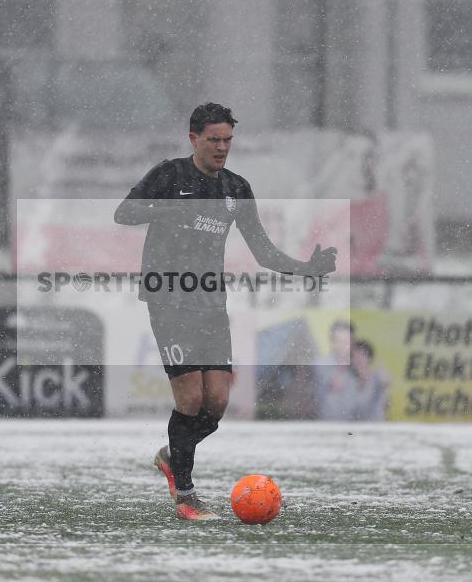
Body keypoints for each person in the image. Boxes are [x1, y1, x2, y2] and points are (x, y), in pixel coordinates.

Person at [114, 102, 337, 520]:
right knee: (190, 397)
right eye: (213, 139)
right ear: (193, 138)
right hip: (168, 300)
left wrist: (307, 268)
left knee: (216, 403)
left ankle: (171, 456)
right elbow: (123, 213)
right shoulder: (169, 175)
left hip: (210, 304)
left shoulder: (236, 189)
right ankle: (185, 495)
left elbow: (263, 250)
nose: (221, 148)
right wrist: (169, 208)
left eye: (227, 140)